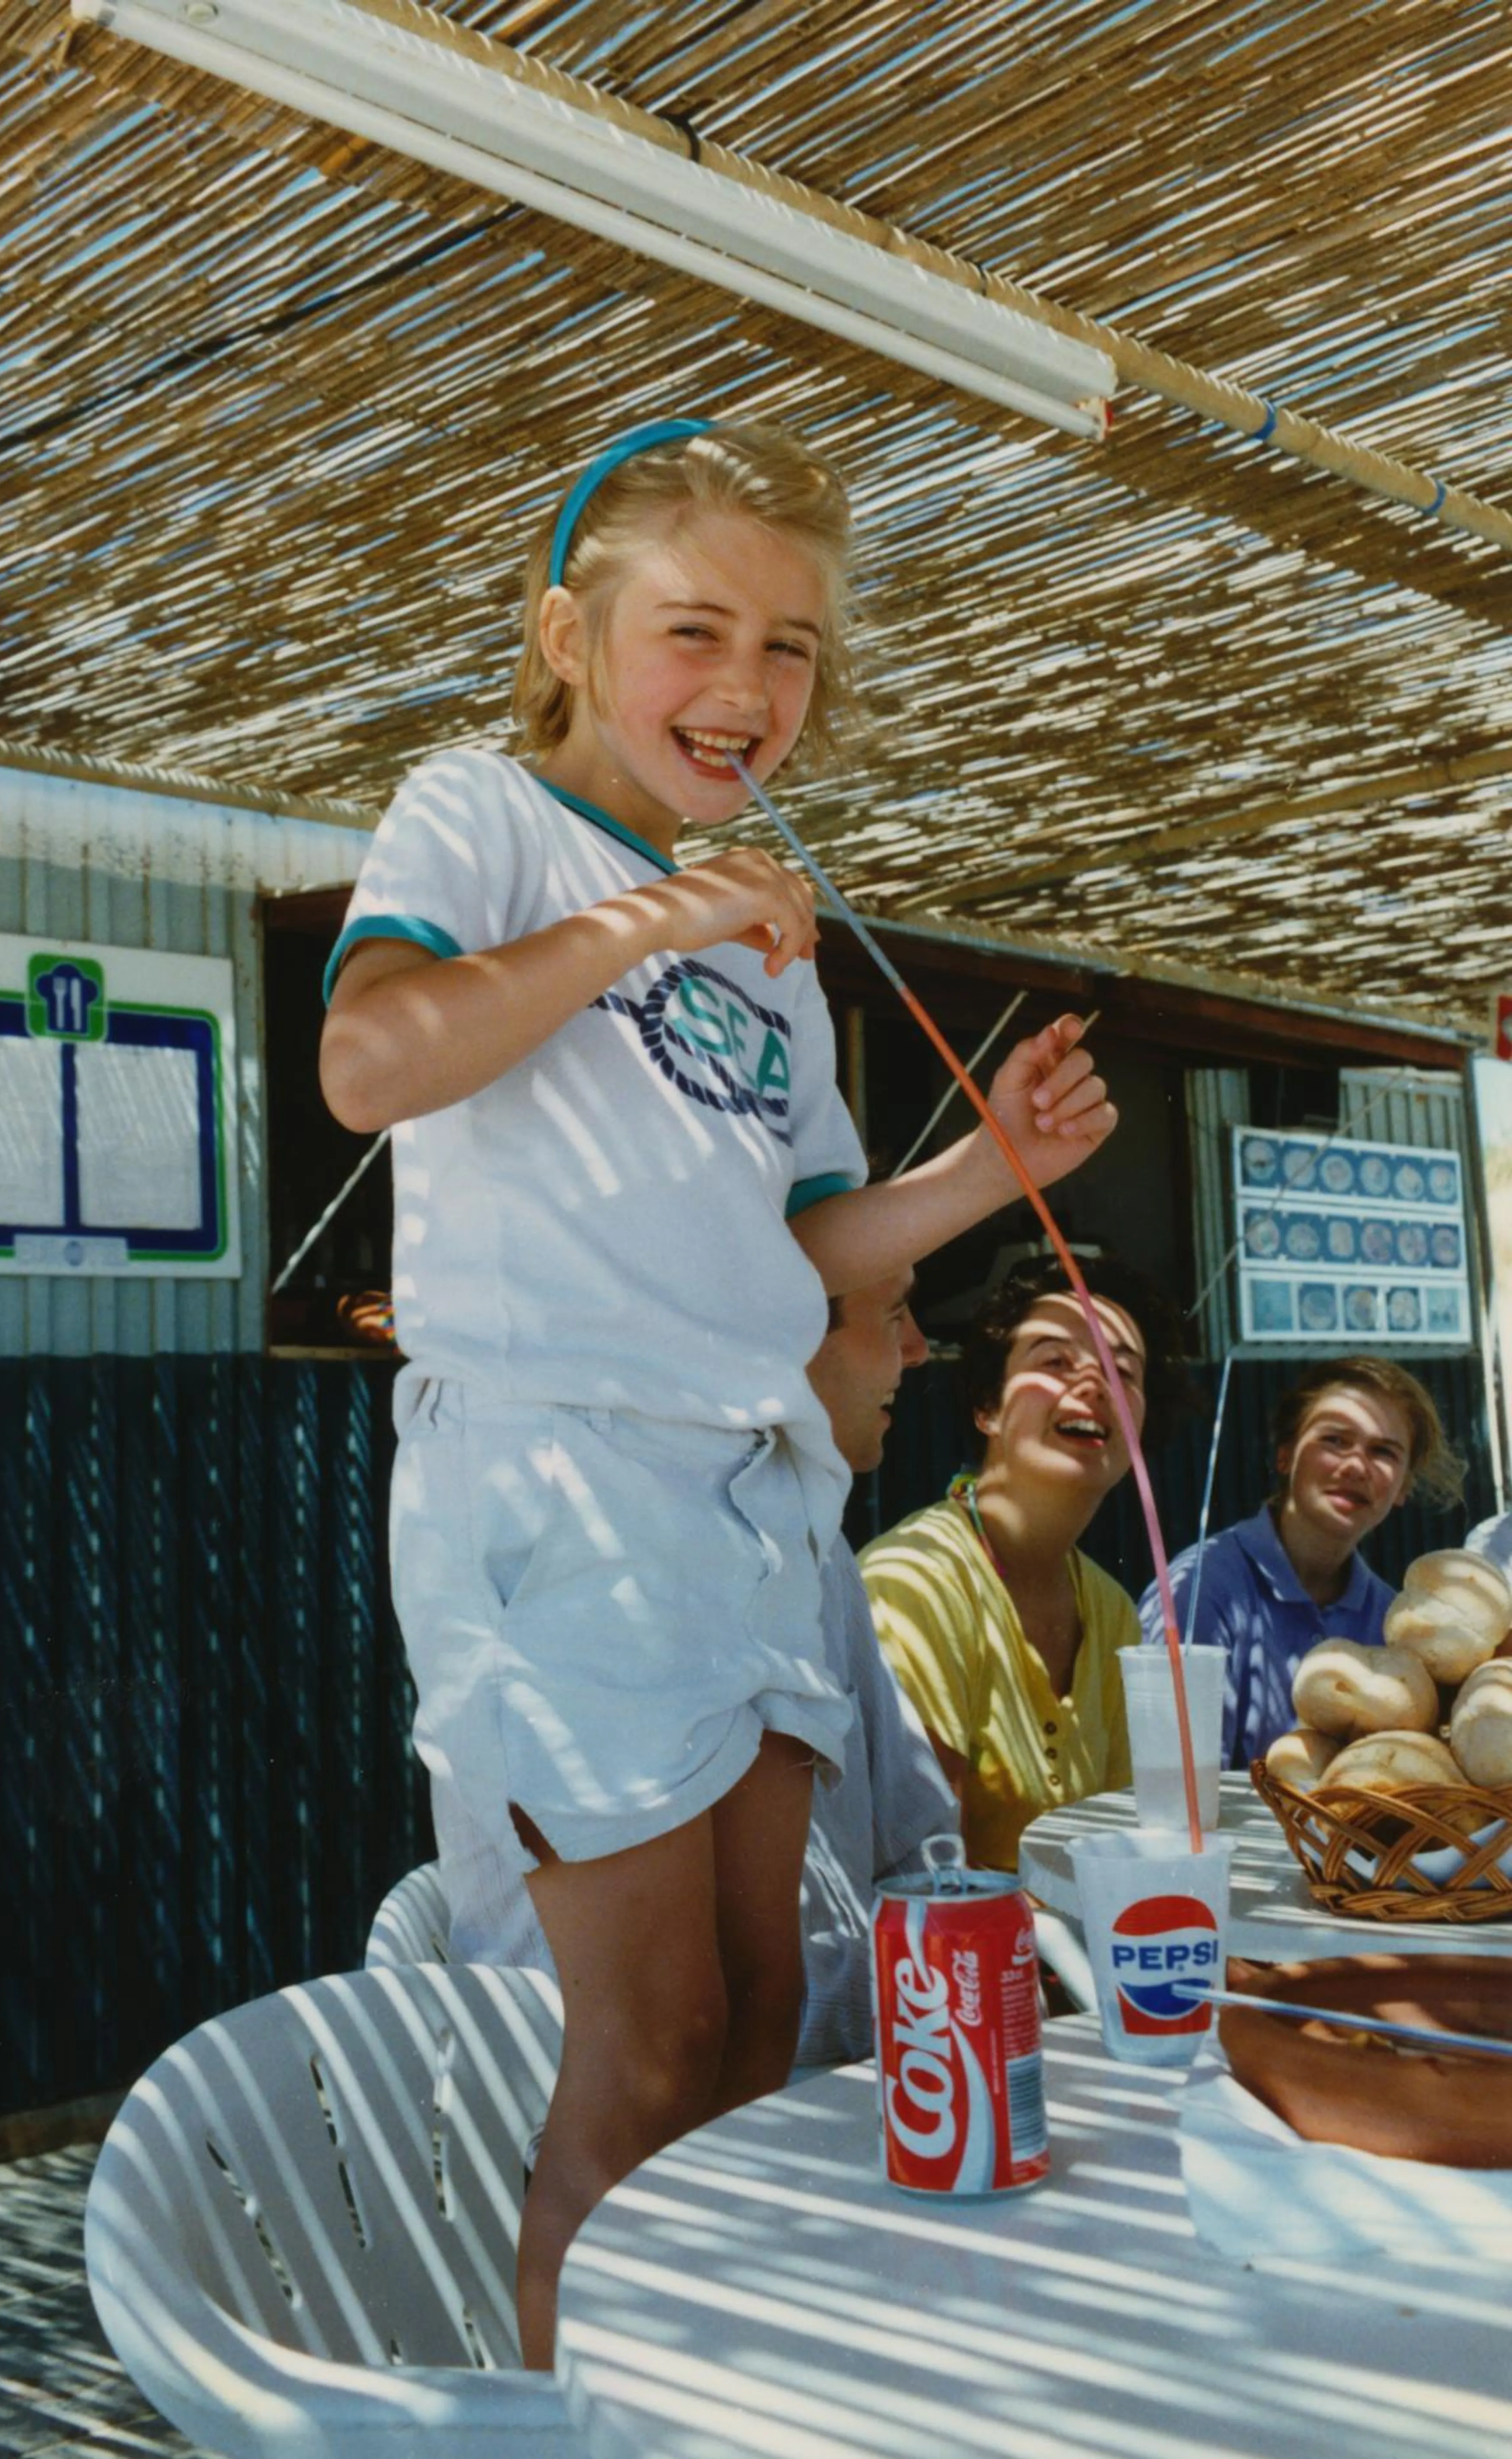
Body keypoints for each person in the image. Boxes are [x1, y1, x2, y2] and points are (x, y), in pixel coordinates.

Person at [319, 417, 1115, 2361]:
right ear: (567, 636)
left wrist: (985, 1170)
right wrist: (654, 914)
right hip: (561, 1474)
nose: (748, 690)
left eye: (790, 651)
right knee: (650, 2038)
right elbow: (368, 1061)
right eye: (696, 632)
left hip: (754, 1493)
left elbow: (810, 1249)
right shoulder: (483, 815)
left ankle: (706, 2400)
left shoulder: (773, 956)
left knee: (763, 2018)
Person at [430, 1263, 957, 2070]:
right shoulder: (592, 1574)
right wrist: (936, 1991)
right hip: (630, 2131)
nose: (920, 1349)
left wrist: (951, 1970)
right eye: (893, 1314)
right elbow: (651, 2025)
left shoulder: (813, 1547)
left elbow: (919, 1840)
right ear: (783, 1340)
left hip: (844, 2078)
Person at [861, 1256, 1185, 1873]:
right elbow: (932, 1876)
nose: (1094, 1382)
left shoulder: (1114, 1610)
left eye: (1123, 1372)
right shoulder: (918, 1581)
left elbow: (1126, 1854)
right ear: (988, 1408)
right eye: (1055, 1361)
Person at [1138, 1355, 1464, 1769]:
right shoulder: (1201, 1592)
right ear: (1285, 1456)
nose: (1356, 1466)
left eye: (1383, 1452)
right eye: (1335, 1441)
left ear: (1403, 1487)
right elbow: (1179, 1782)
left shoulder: (1392, 1620)